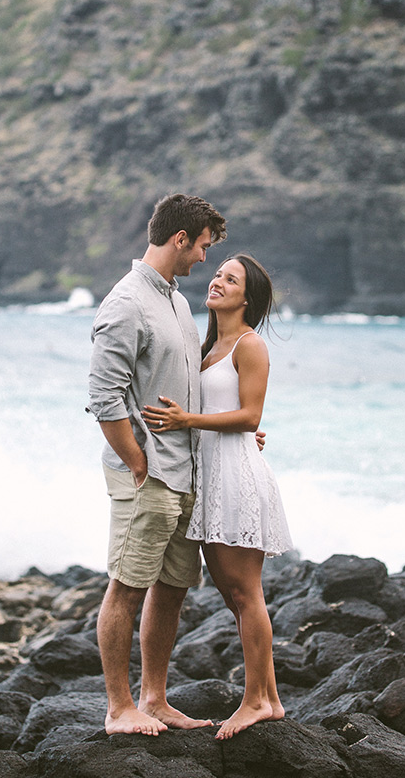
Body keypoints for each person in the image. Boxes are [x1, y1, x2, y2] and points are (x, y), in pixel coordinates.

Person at [87, 193, 228, 737]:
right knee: (127, 587)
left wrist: (240, 426)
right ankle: (119, 708)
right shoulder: (125, 303)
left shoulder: (175, 301)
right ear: (180, 239)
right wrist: (137, 462)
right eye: (203, 248)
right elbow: (104, 398)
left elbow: (186, 384)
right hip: (148, 475)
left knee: (170, 588)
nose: (204, 261)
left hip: (184, 471)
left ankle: (155, 699)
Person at [142, 253, 293, 739]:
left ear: (246, 297)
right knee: (235, 595)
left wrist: (188, 420)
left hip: (235, 479)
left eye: (231, 279)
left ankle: (255, 703)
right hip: (211, 476)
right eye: (218, 274)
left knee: (245, 593)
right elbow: (232, 412)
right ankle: (269, 699)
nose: (218, 281)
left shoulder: (250, 345)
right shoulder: (209, 342)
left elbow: (250, 416)